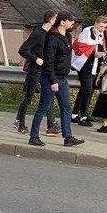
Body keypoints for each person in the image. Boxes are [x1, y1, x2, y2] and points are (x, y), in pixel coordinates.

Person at [28, 12, 84, 149]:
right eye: (70, 21)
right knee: (43, 107)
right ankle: (34, 137)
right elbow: (49, 61)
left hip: (63, 78)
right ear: (63, 22)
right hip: (50, 78)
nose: (73, 23)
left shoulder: (67, 36)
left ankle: (68, 137)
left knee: (66, 107)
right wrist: (53, 81)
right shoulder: (52, 38)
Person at [15, 10, 56, 135]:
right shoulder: (37, 33)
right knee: (28, 97)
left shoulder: (52, 34)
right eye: (55, 19)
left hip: (46, 71)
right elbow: (23, 50)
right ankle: (21, 123)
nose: (56, 21)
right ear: (50, 20)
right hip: (35, 70)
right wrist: (35, 59)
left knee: (49, 97)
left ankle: (51, 126)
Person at [70, 15, 107, 126]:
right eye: (100, 26)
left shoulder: (100, 35)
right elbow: (80, 49)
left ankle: (74, 114)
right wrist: (94, 54)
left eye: (104, 27)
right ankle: (83, 116)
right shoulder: (86, 33)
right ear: (95, 24)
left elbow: (98, 47)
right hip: (84, 66)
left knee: (84, 90)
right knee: (87, 90)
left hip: (93, 66)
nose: (102, 29)